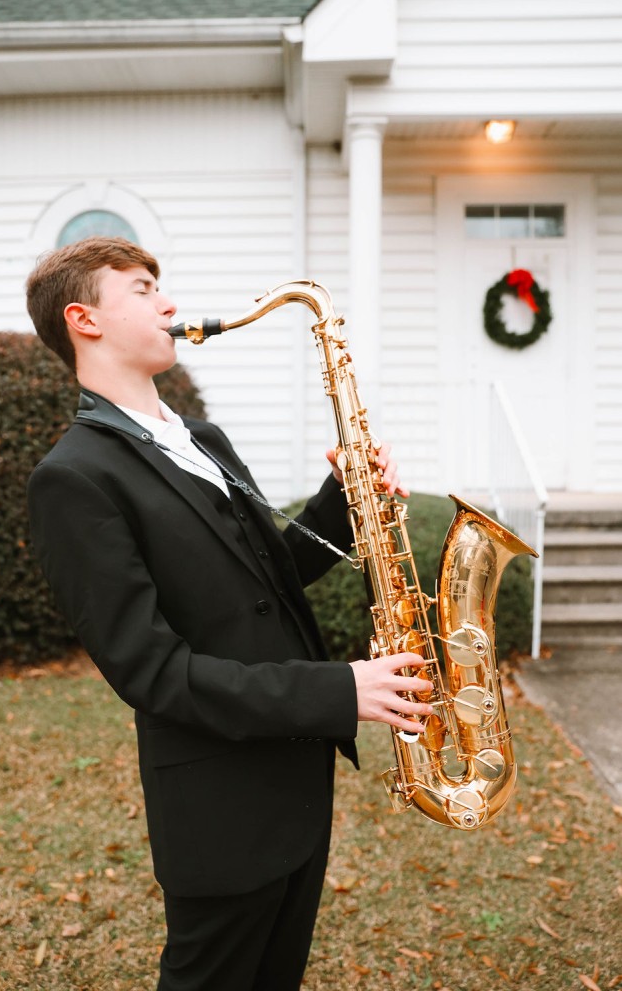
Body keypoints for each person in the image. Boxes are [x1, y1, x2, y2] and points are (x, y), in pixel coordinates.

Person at [25, 236, 434, 991]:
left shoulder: (198, 439)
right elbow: (153, 673)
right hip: (219, 806)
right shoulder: (73, 477)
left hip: (292, 780)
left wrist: (346, 500)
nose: (168, 303)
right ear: (83, 319)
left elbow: (264, 579)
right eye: (143, 290)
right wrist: (338, 691)